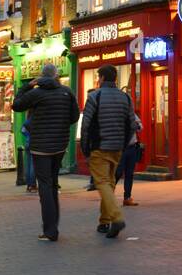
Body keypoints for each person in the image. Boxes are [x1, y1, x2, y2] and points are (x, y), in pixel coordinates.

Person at [13, 65, 79, 241]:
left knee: (44, 186)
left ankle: (50, 230)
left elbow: (16, 105)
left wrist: (27, 86)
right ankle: (53, 226)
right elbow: (74, 117)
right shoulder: (67, 92)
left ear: (41, 76)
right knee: (53, 183)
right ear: (56, 75)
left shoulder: (36, 93)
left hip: (40, 147)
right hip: (59, 145)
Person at [79, 65, 132, 239]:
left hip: (99, 146)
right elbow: (132, 124)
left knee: (101, 182)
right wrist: (123, 143)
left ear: (101, 78)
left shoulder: (95, 96)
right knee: (108, 184)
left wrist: (85, 148)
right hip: (117, 147)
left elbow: (86, 125)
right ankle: (104, 221)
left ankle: (116, 218)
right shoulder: (126, 97)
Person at [114, 112, 144, 207]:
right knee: (118, 172)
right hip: (120, 148)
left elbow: (140, 127)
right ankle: (108, 196)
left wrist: (136, 125)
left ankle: (127, 198)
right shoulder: (116, 115)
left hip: (132, 147)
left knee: (129, 173)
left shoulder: (132, 114)